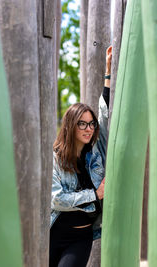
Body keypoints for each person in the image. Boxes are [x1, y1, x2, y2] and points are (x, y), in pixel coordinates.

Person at [49, 46, 112, 267]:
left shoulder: (94, 155)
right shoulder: (55, 159)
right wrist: (94, 195)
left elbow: (104, 119)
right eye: (82, 124)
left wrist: (108, 75)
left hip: (81, 237)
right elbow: (57, 199)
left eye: (90, 123)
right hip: (52, 234)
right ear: (70, 126)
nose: (89, 128)